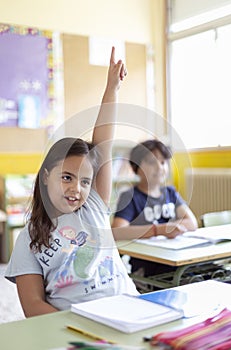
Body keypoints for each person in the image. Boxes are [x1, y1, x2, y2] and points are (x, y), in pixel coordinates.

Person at [5, 47, 138, 317]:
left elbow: (103, 143)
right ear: (45, 177)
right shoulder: (28, 239)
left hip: (129, 309)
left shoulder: (94, 207)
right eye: (67, 177)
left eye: (85, 181)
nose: (77, 188)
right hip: (79, 324)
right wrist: (80, 325)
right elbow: (33, 307)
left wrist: (112, 89)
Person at [111, 139, 198, 279]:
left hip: (174, 256)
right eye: (151, 162)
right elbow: (117, 231)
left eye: (163, 162)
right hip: (149, 264)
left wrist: (173, 228)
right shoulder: (130, 197)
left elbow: (192, 223)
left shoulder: (170, 193)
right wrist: (158, 230)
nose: (159, 167)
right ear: (136, 166)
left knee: (211, 273)